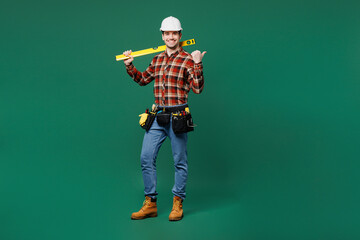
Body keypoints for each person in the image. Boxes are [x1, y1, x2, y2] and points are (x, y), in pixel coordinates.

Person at [123, 16, 206, 221]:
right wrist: (130, 66)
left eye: (174, 33)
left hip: (178, 116)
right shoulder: (157, 59)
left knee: (180, 161)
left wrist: (197, 64)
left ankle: (177, 202)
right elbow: (143, 80)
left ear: (180, 35)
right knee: (146, 158)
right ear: (162, 35)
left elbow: (197, 89)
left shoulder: (188, 58)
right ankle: (150, 202)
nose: (170, 37)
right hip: (158, 115)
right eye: (167, 33)